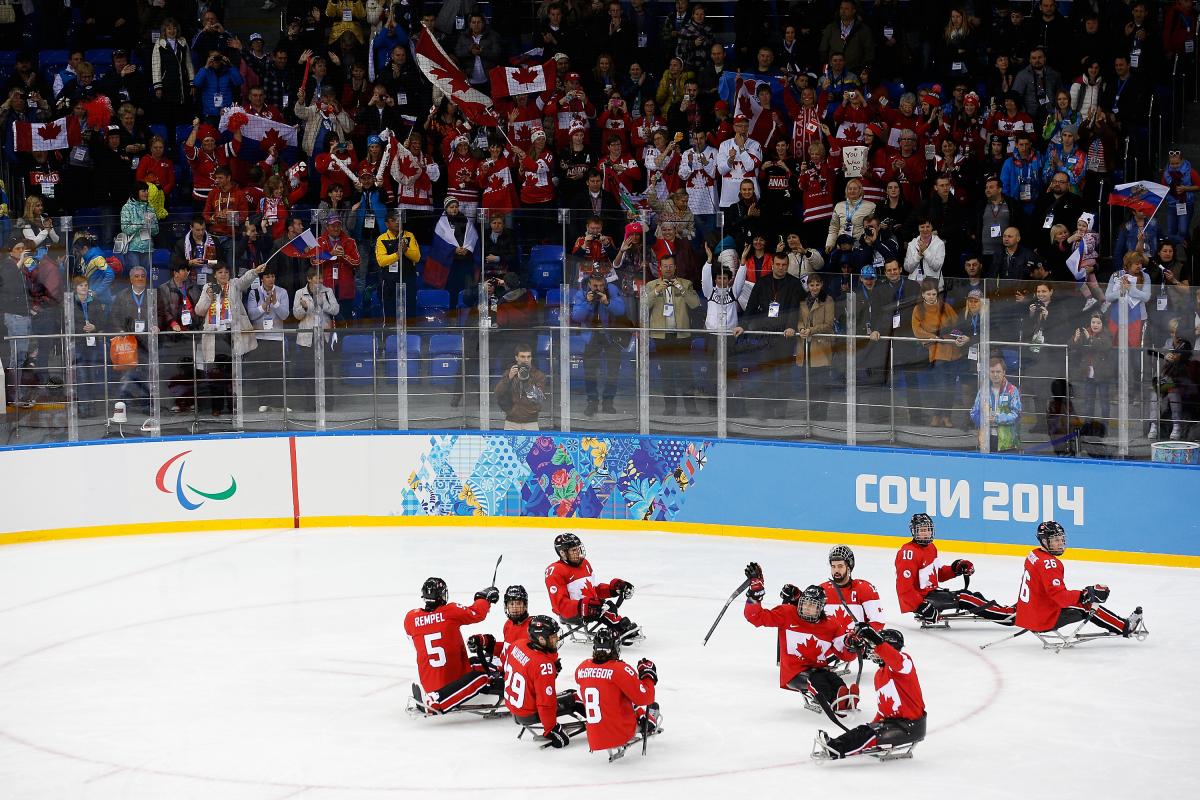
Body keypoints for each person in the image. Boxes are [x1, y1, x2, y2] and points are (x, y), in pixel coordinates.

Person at [742, 562, 857, 712]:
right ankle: (835, 701)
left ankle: (845, 699)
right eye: (805, 603)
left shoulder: (831, 625)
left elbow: (845, 654)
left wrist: (852, 645)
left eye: (813, 605)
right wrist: (755, 592)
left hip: (819, 668)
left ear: (821, 608)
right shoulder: (787, 613)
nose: (807, 608)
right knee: (817, 681)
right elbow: (755, 617)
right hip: (794, 673)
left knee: (834, 679)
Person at [1015, 522, 1147, 638]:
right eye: (1055, 540)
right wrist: (1085, 595)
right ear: (1044, 541)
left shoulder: (1033, 555)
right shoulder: (1050, 564)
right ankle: (1125, 627)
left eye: (1061, 539)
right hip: (1042, 620)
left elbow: (1045, 591)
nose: (1060, 543)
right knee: (1088, 606)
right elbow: (1061, 598)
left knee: (1081, 601)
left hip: (1026, 615)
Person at [813, 626, 926, 760]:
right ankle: (834, 744)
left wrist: (878, 642)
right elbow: (884, 709)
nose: (873, 650)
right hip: (894, 723)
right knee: (864, 730)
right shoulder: (880, 674)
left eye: (875, 646)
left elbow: (897, 661)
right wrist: (871, 725)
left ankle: (835, 750)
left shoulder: (905, 663)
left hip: (910, 726)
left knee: (870, 733)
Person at [896, 513, 1016, 626]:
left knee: (974, 596)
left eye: (928, 530)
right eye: (922, 530)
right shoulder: (908, 553)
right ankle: (1008, 615)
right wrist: (922, 607)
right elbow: (904, 589)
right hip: (923, 599)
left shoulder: (931, 548)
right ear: (913, 531)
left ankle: (1003, 610)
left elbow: (938, 574)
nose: (926, 533)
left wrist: (956, 569)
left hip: (932, 594)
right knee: (965, 598)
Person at [403, 577, 501, 715]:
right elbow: (477, 613)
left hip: (428, 681)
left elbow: (416, 645)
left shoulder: (410, 618)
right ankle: (437, 701)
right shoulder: (451, 611)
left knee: (478, 661)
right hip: (451, 681)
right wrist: (483, 598)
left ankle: (434, 694)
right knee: (482, 676)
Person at [193, 262, 266, 417]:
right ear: (215, 275)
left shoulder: (234, 285)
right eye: (220, 272)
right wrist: (209, 298)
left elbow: (245, 279)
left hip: (231, 335)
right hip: (215, 336)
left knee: (233, 374)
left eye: (226, 272)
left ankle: (233, 406)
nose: (224, 275)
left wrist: (255, 271)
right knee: (215, 374)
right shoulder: (208, 287)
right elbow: (199, 311)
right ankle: (217, 407)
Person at [575, 628, 661, 756]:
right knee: (628, 697)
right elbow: (646, 698)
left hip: (594, 738)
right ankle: (648, 719)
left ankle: (640, 714)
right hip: (620, 735)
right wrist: (648, 676)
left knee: (614, 695)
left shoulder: (582, 667)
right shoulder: (619, 669)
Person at [503, 616, 585, 748]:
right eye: (552, 637)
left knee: (567, 693)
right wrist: (551, 729)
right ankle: (604, 724)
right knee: (575, 697)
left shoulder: (518, 645)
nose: (557, 639)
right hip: (528, 713)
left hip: (514, 707)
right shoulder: (543, 666)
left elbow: (527, 674)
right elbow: (546, 703)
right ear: (541, 639)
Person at [545, 532, 638, 642]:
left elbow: (592, 591)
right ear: (563, 553)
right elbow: (559, 606)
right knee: (603, 607)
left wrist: (613, 590)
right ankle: (620, 629)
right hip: (573, 613)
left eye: (578, 549)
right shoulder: (555, 570)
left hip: (589, 608)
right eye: (573, 550)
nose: (577, 553)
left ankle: (616, 627)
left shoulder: (584, 564)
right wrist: (583, 606)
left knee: (607, 606)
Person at [644, 253, 701, 415]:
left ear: (675, 267)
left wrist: (681, 289)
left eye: (671, 266)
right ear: (660, 268)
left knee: (686, 372)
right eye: (665, 266)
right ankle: (670, 407)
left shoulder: (686, 284)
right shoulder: (651, 285)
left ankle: (691, 408)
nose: (668, 269)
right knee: (666, 372)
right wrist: (655, 292)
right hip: (661, 336)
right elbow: (643, 305)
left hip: (682, 335)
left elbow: (695, 304)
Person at [571, 274, 627, 417]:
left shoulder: (612, 290)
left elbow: (621, 310)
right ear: (589, 284)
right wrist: (588, 303)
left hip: (611, 335)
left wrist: (607, 302)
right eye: (595, 286)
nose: (598, 289)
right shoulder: (581, 293)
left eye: (601, 285)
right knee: (590, 371)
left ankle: (608, 402)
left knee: (613, 370)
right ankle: (592, 402)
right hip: (592, 336)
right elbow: (576, 317)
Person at [292, 267, 340, 412]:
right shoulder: (299, 293)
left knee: (327, 371)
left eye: (321, 278)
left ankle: (328, 404)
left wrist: (322, 303)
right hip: (307, 337)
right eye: (316, 278)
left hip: (324, 337)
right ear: (309, 279)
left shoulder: (327, 291)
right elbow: (296, 315)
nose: (320, 281)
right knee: (309, 372)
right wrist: (305, 308)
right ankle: (310, 404)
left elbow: (336, 309)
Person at [245, 267, 290, 414]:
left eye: (273, 276)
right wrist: (264, 305)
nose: (271, 279)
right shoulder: (255, 292)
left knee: (278, 372)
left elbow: (284, 315)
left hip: (276, 336)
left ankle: (278, 403)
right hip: (260, 337)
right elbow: (251, 315)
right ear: (262, 279)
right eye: (268, 277)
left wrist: (275, 302)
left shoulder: (282, 292)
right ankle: (263, 401)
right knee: (261, 370)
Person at [820, 545, 886, 631]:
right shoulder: (822, 590)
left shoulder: (864, 589)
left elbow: (878, 621)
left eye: (840, 566)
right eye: (833, 566)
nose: (836, 570)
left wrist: (859, 638)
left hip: (856, 643)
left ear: (849, 567)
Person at [971, 357, 1022, 452]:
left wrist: (997, 418)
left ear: (1004, 372)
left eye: (998, 371)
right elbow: (974, 413)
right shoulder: (983, 390)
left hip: (1008, 443)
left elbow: (1017, 415)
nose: (995, 374)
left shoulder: (1012, 390)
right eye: (992, 371)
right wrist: (984, 420)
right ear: (988, 373)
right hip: (986, 439)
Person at [493, 342, 547, 431]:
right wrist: (508, 378)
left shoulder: (538, 375)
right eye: (522, 356)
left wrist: (526, 381)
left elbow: (538, 398)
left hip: (531, 422)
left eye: (528, 357)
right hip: (511, 422)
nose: (526, 360)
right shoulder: (509, 373)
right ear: (516, 358)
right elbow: (498, 393)